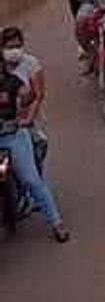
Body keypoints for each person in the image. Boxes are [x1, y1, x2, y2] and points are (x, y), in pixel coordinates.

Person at [0, 37, 67, 242]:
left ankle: (57, 224)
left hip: (12, 136)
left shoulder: (13, 82)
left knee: (31, 179)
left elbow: (30, 96)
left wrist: (22, 116)